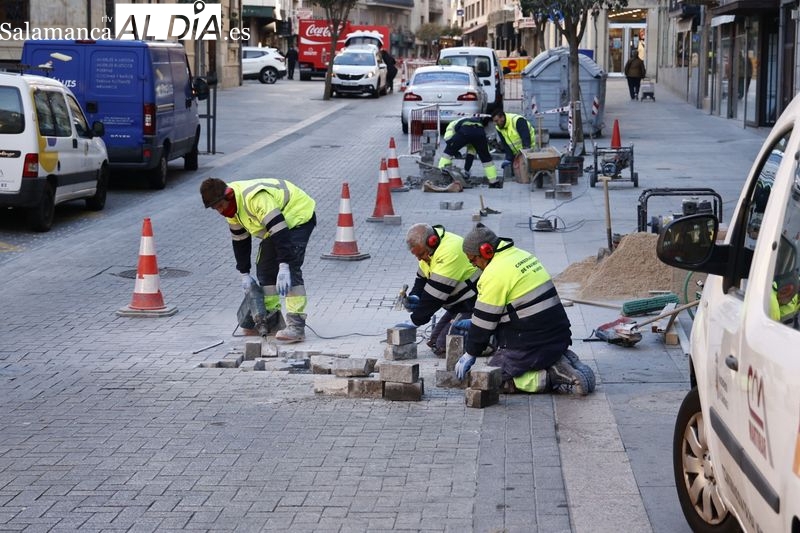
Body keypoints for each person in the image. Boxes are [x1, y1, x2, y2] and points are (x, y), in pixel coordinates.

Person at [453, 224, 595, 395]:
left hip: (533, 343)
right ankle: (561, 359)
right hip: (559, 336)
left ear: (486, 251)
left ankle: (552, 375)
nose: (474, 265)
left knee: (493, 379)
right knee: (499, 353)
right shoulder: (521, 255)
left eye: (474, 260)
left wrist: (470, 352)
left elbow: (484, 324)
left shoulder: (493, 274)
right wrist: (477, 323)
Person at [200, 177, 316, 342]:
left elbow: (280, 231)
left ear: (229, 195)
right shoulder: (231, 210)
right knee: (265, 267)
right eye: (215, 208)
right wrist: (244, 273)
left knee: (291, 266)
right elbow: (240, 241)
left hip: (297, 215)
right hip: (275, 228)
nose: (219, 211)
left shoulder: (255, 199)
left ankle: (296, 326)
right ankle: (271, 321)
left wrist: (284, 266)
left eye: (220, 206)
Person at [403, 223, 481, 355]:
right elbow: (421, 280)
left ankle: (489, 340)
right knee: (434, 342)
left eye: (421, 254)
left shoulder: (450, 251)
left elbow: (434, 297)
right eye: (416, 255)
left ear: (432, 242)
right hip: (458, 305)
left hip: (474, 304)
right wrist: (415, 296)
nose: (419, 258)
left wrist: (414, 320)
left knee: (443, 346)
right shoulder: (427, 252)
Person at [437, 115, 500, 188]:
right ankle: (493, 181)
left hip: (465, 131)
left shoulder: (452, 124)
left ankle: (441, 171)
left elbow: (448, 139)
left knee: (448, 152)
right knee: (486, 158)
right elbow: (471, 154)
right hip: (480, 132)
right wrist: (466, 171)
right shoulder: (476, 125)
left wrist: (454, 150)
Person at [490, 108, 535, 177]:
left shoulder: (517, 120)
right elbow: (505, 143)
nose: (495, 124)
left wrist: (523, 155)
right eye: (494, 121)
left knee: (527, 173)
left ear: (502, 117)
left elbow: (526, 141)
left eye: (496, 121)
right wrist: (509, 158)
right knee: (513, 170)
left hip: (530, 151)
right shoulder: (498, 127)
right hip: (517, 153)